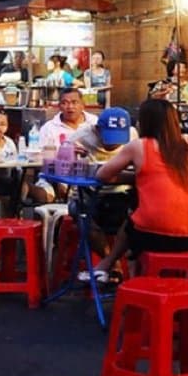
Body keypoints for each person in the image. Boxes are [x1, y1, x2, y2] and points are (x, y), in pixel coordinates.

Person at [90, 99, 188, 280]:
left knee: (132, 219)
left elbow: (102, 175)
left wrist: (135, 177)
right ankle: (111, 266)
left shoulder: (139, 145)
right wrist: (143, 177)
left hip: (156, 236)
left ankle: (112, 266)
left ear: (146, 122)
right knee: (136, 217)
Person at [68, 106, 137, 279]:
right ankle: (112, 264)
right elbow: (61, 165)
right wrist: (69, 154)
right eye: (109, 138)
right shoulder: (81, 137)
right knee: (82, 215)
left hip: (122, 194)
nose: (114, 144)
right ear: (98, 129)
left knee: (139, 216)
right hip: (89, 195)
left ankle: (110, 266)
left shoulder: (134, 136)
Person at [28, 87, 97, 203]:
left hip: (89, 174)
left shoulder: (94, 123)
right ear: (59, 106)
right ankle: (26, 189)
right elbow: (42, 159)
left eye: (74, 102)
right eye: (65, 103)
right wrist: (58, 179)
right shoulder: (49, 128)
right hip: (56, 174)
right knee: (48, 195)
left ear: (82, 105)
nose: (70, 107)